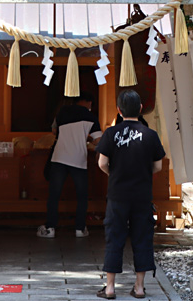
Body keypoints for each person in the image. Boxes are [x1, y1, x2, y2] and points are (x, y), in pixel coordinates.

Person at [95, 89, 165, 300]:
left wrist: (114, 174)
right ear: (141, 109)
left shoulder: (110, 133)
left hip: (118, 194)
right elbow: (158, 166)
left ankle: (109, 288)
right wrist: (142, 173)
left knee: (114, 237)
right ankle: (140, 287)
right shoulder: (150, 135)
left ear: (119, 110)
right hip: (142, 195)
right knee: (142, 238)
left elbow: (102, 163)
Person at [37, 91, 103, 239]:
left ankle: (50, 228)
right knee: (81, 195)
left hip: (59, 157)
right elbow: (99, 141)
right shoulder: (91, 117)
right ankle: (80, 229)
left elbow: (55, 131)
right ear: (89, 103)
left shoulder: (62, 112)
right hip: (78, 160)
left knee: (54, 194)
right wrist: (85, 139)